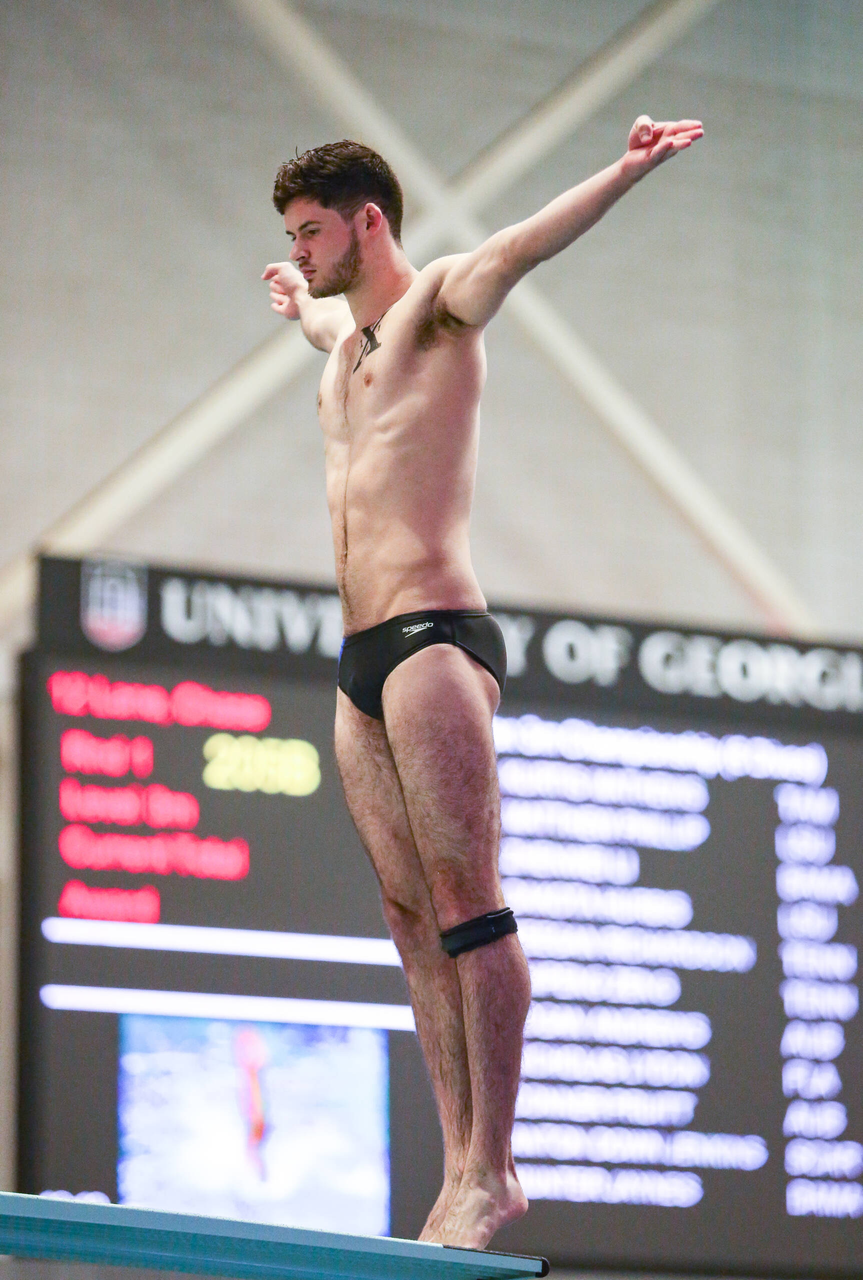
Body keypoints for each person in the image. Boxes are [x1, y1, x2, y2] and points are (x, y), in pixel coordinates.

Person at [262, 114, 703, 1249]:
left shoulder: (439, 306)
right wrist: (296, 295)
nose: (300, 249)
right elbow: (319, 318)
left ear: (368, 222)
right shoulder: (345, 343)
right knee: (408, 915)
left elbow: (522, 244)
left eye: (310, 233)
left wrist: (625, 170)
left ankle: (492, 1167)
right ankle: (456, 1160)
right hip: (359, 660)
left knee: (467, 900)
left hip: (432, 638)